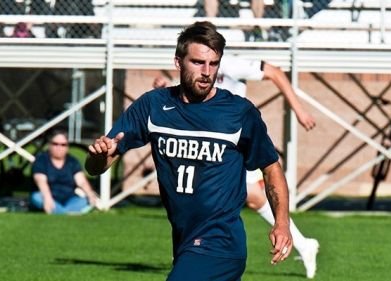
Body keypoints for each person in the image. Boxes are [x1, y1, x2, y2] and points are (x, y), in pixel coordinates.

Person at [86, 21, 293, 281]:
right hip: (184, 240)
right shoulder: (153, 106)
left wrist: (282, 222)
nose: (207, 72)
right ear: (178, 62)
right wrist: (98, 156)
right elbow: (97, 167)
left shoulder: (239, 113)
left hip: (221, 242)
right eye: (197, 62)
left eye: (214, 63)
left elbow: (271, 167)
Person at [154, 54, 319, 279]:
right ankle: (302, 243)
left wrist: (298, 110)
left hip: (232, 143)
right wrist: (164, 88)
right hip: (209, 142)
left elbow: (275, 72)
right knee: (251, 196)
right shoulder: (194, 66)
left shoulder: (231, 64)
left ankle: (196, 252)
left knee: (245, 193)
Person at [30, 129, 97, 214]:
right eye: (55, 144)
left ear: (67, 146)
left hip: (69, 199)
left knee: (85, 200)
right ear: (49, 145)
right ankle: (67, 213)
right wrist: (47, 198)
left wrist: (90, 194)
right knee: (37, 197)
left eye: (63, 145)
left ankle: (61, 212)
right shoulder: (41, 160)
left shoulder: (72, 161)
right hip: (48, 196)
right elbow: (41, 181)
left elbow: (82, 181)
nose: (59, 147)